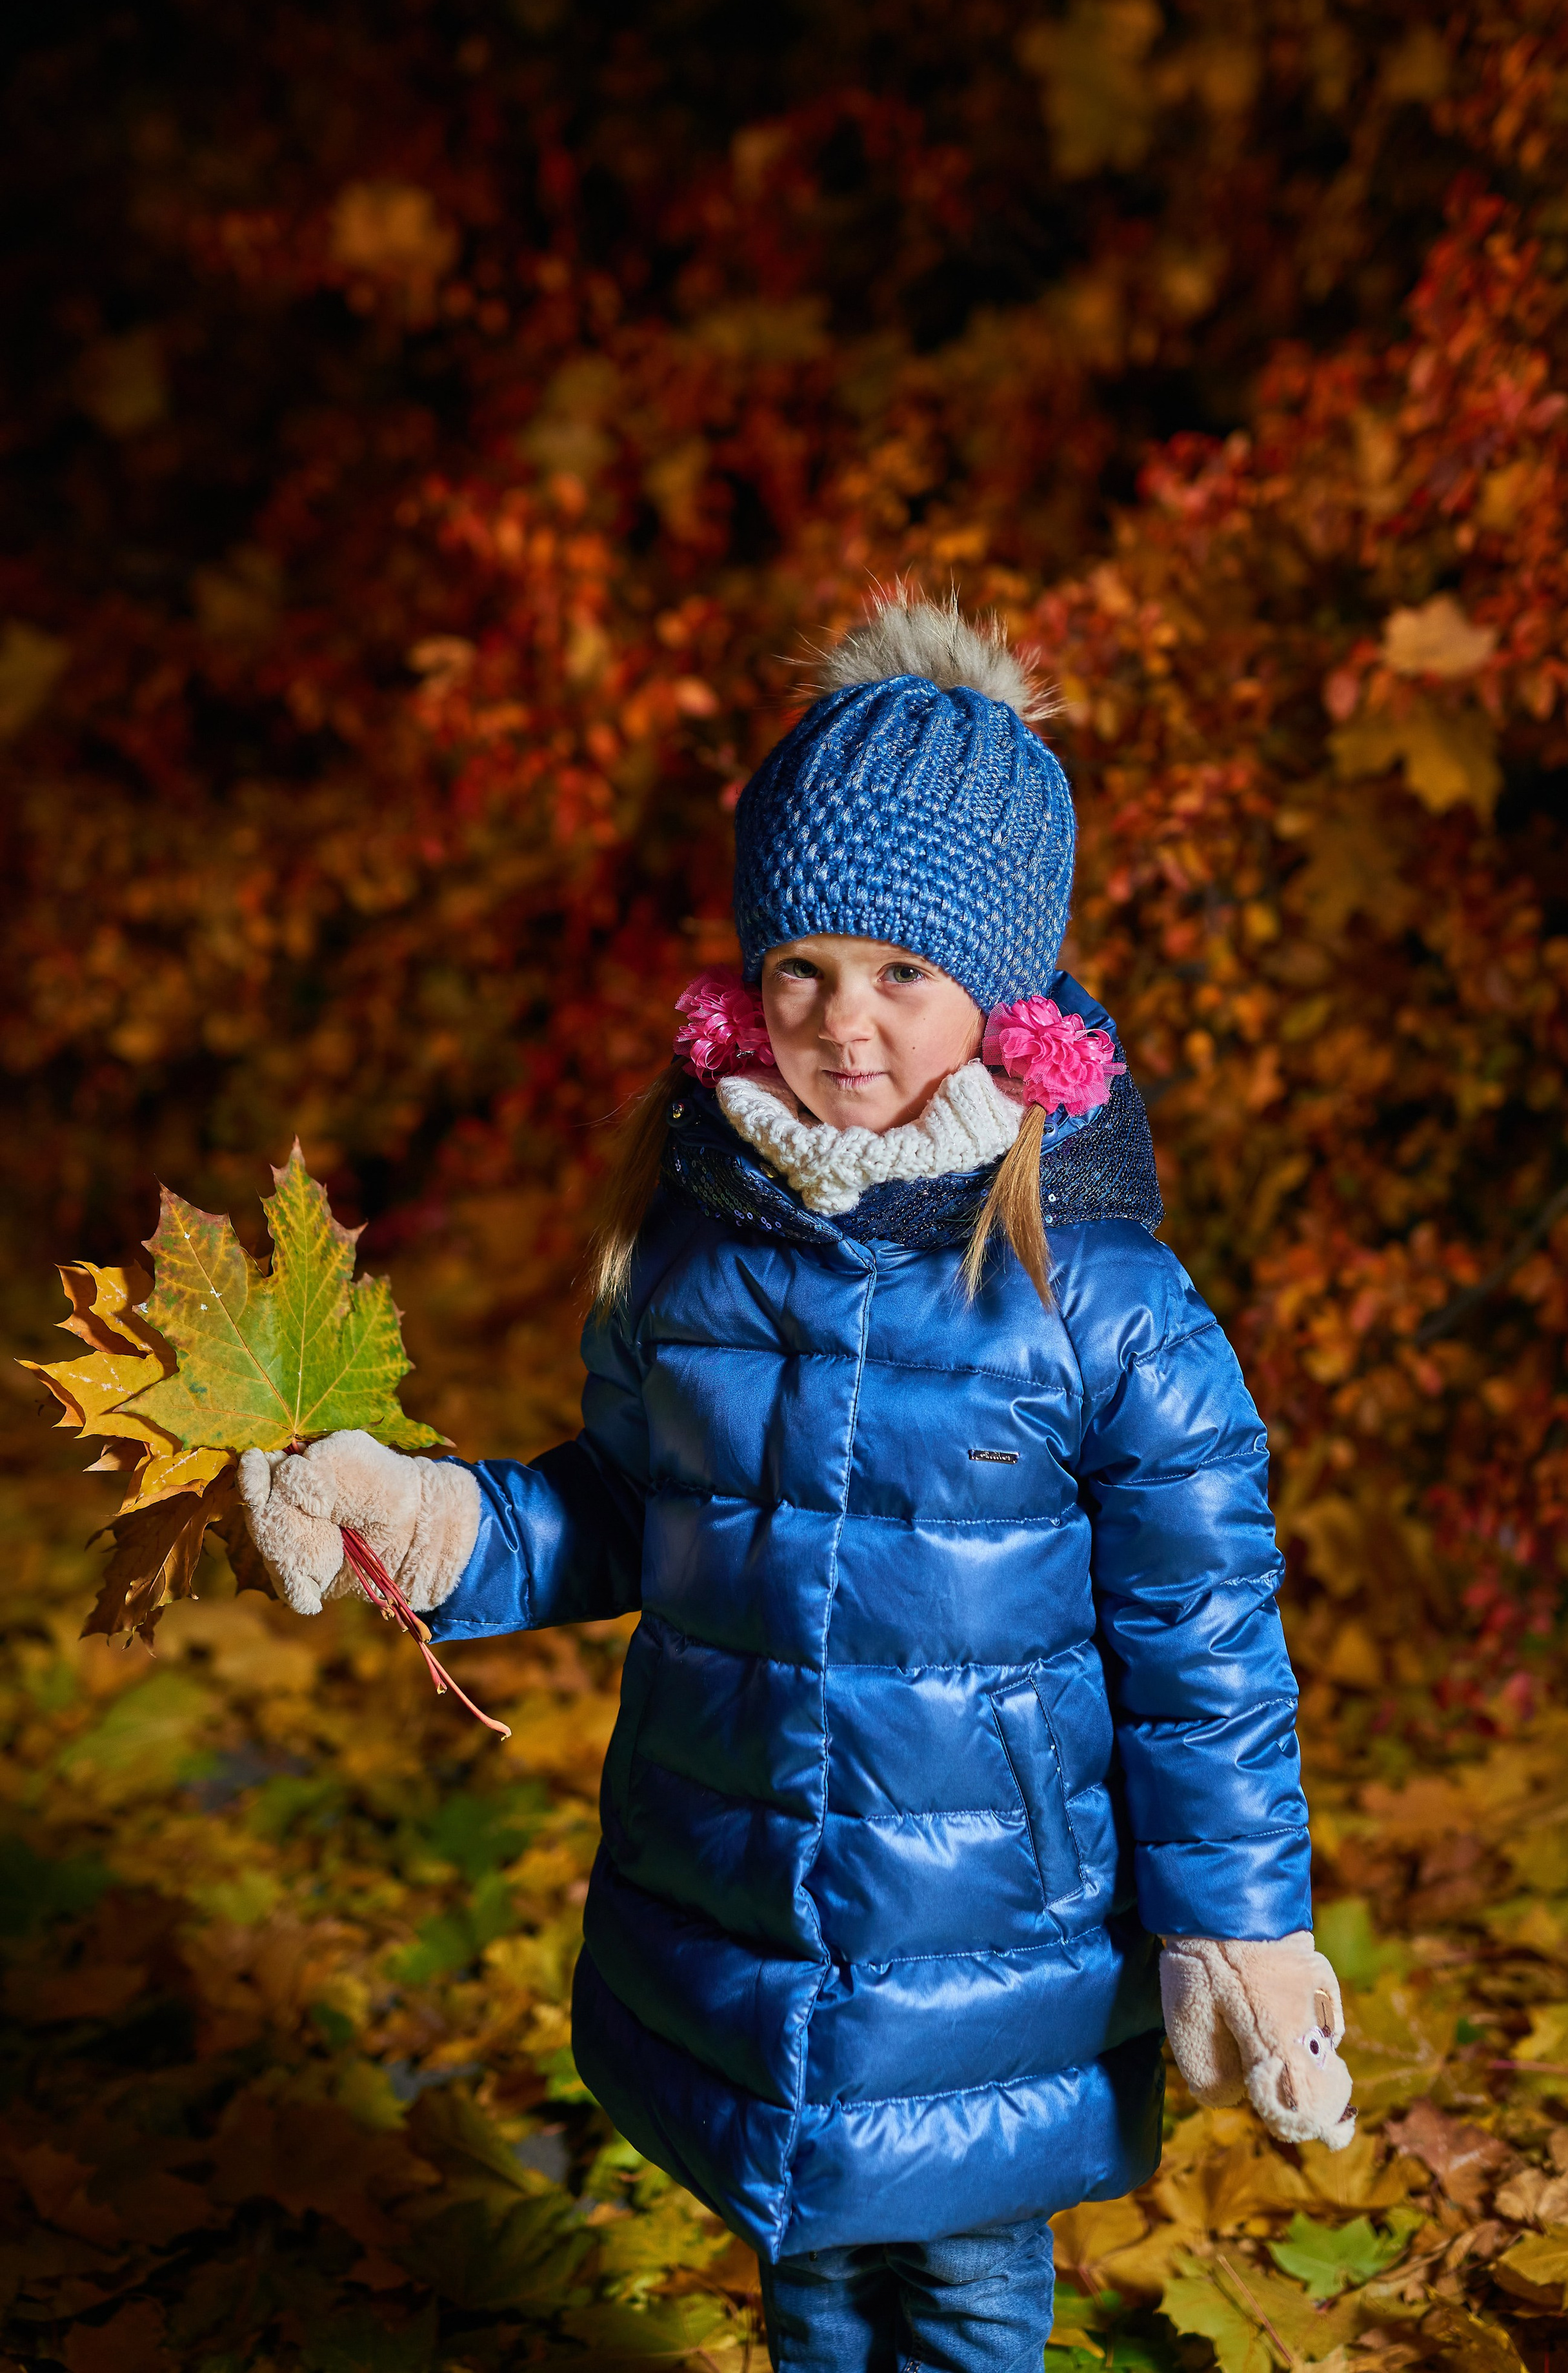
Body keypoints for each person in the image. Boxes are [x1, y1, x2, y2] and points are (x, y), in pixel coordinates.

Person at [239, 590, 1354, 2373]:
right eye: (804, 969)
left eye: (904, 973)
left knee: (970, 2293)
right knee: (811, 2282)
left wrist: (1241, 1922)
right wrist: (438, 1521)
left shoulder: (1102, 1302)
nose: (847, 1020)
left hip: (998, 1919)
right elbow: (626, 1509)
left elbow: (1201, 1636)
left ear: (998, 993)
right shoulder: (695, 1250)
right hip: (748, 1882)